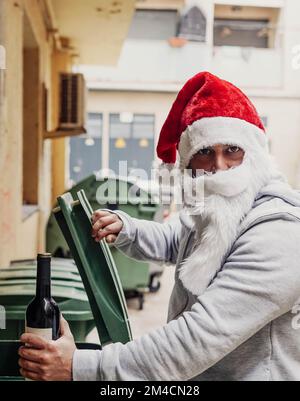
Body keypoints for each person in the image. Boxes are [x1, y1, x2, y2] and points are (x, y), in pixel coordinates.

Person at [19, 72, 300, 381]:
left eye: (232, 150)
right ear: (188, 164)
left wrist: (79, 367)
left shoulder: (278, 234)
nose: (218, 166)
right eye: (205, 152)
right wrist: (127, 228)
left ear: (254, 156)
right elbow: (177, 237)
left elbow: (196, 339)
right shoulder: (217, 211)